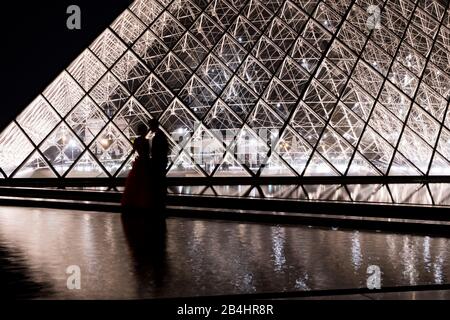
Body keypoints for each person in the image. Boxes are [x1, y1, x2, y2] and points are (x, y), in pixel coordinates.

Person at [121, 124, 152, 212]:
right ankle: (145, 200)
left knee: (136, 183)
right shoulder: (146, 141)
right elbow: (149, 152)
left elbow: (133, 151)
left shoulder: (137, 140)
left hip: (139, 162)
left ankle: (136, 201)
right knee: (145, 183)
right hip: (146, 162)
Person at [149, 119, 169, 214]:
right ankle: (162, 195)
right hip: (161, 160)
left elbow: (157, 150)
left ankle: (161, 196)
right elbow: (166, 148)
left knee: (159, 178)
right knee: (160, 178)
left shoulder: (158, 136)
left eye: (150, 126)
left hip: (158, 161)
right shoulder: (160, 135)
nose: (149, 128)